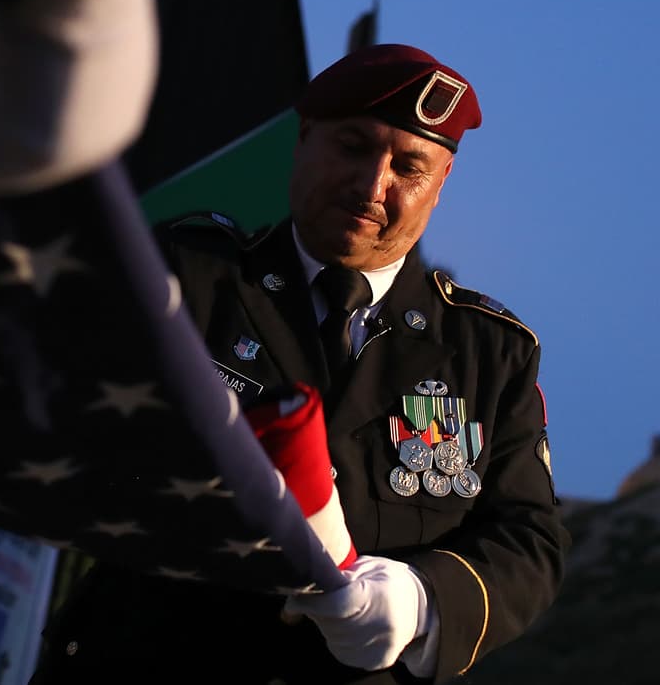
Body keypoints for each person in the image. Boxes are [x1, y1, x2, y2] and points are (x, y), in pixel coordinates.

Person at [33, 44, 569, 684]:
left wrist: (420, 599)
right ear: (306, 137)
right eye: (353, 147)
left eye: (408, 166)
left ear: (442, 181)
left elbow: (529, 543)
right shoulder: (187, 279)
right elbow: (73, 433)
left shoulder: (490, 354)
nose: (374, 186)